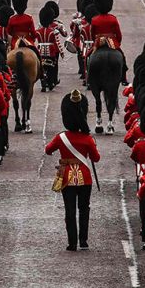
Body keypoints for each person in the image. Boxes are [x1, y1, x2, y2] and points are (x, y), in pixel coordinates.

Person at [44, 89, 100, 251]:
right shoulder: (88, 139)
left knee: (69, 211)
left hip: (66, 176)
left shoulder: (60, 138)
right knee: (84, 208)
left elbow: (48, 150)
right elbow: (96, 159)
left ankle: (72, 242)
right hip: (85, 176)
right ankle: (83, 241)